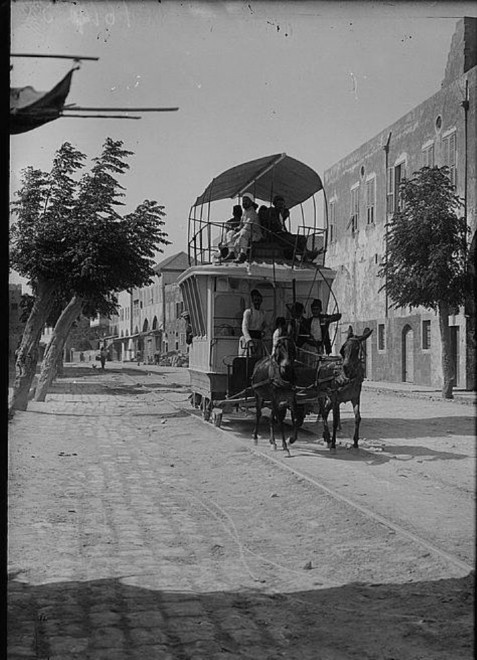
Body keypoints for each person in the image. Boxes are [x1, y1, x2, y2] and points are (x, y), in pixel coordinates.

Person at [231, 192, 263, 263]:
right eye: (243, 201)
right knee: (231, 233)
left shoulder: (252, 213)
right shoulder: (244, 213)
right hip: (246, 232)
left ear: (251, 202)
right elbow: (241, 225)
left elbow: (247, 226)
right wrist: (236, 229)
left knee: (243, 233)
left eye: (246, 201)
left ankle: (243, 254)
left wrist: (238, 233)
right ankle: (231, 252)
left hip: (255, 234)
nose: (244, 203)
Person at [238, 289, 268, 357]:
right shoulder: (248, 312)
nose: (257, 303)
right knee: (247, 359)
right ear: (252, 301)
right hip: (248, 340)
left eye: (259, 301)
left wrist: (264, 332)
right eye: (255, 301)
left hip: (258, 338)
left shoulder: (263, 313)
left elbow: (266, 325)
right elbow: (244, 328)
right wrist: (249, 340)